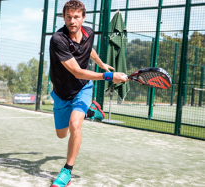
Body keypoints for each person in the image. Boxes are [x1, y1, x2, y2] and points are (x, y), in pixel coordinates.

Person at [49, 1, 128, 186]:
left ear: (83, 18)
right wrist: (108, 75)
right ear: (63, 17)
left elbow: (89, 49)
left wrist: (101, 64)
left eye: (76, 17)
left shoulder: (89, 33)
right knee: (62, 135)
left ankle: (66, 172)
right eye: (68, 17)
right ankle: (90, 110)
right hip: (61, 93)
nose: (72, 21)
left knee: (75, 125)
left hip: (83, 88)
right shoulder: (58, 39)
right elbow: (76, 71)